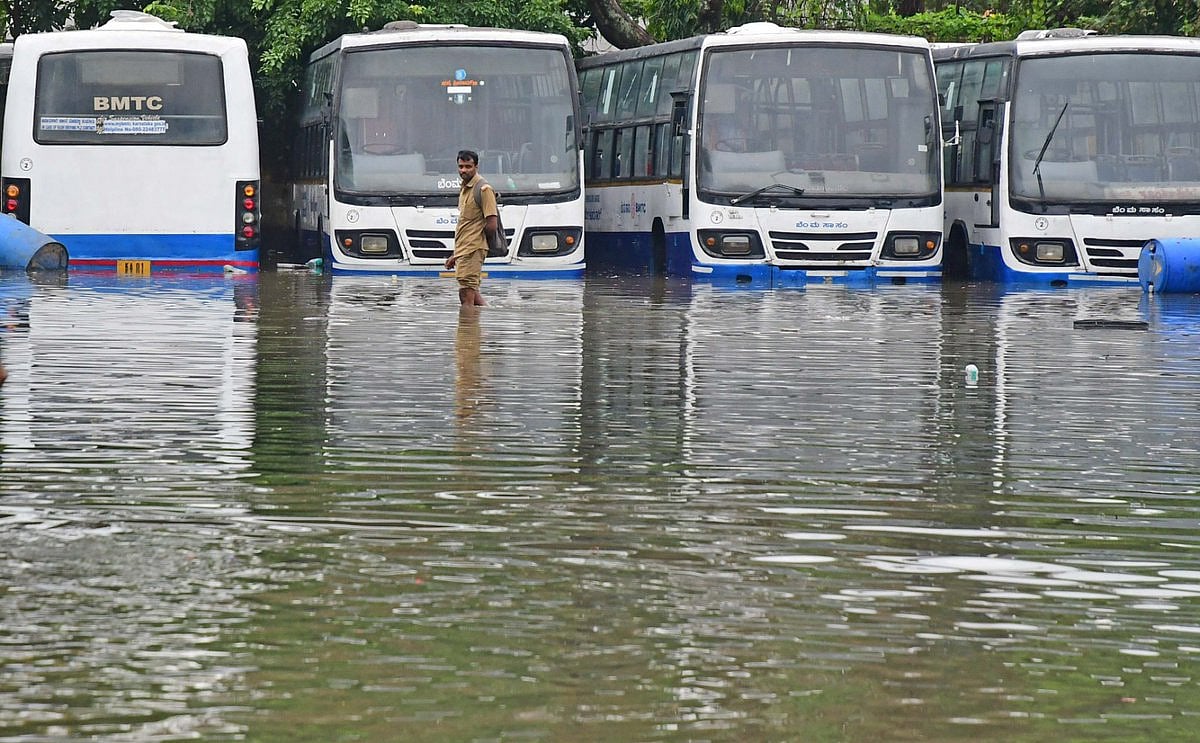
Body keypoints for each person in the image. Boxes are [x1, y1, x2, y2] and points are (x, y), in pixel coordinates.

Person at [445, 149, 498, 307]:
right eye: (461, 166)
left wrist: (477, 245)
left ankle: (467, 330)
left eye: (468, 166)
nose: (463, 170)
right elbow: (466, 226)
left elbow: (491, 224)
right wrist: (456, 255)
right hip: (465, 248)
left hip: (473, 248)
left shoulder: (484, 189)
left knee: (466, 295)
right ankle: (486, 324)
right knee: (472, 293)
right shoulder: (464, 189)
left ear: (476, 166)